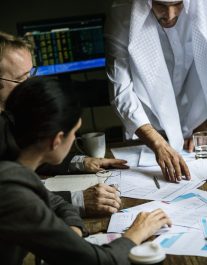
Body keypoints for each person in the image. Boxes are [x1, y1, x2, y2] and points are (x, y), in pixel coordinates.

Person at [0, 77, 171, 265]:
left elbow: (54, 202)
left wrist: (71, 231)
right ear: (57, 140)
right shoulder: (13, 193)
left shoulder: (15, 169)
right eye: (75, 132)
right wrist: (136, 233)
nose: (74, 139)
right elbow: (99, 261)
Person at [0, 30, 126, 216]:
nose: (31, 85)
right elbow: (8, 199)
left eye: (31, 74)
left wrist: (82, 163)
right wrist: (77, 200)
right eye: (21, 79)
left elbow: (27, 157)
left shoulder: (11, 111)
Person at [105, 0, 207, 182]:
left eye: (178, 4)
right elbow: (121, 89)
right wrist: (157, 143)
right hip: (147, 125)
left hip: (196, 120)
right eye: (160, 5)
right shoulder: (121, 13)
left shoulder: (205, 4)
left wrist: (200, 126)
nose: (170, 14)